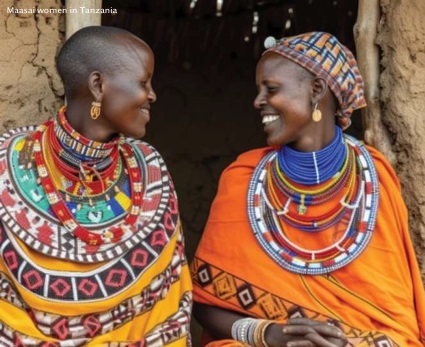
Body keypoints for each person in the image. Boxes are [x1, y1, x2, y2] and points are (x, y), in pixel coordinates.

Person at [191, 31, 425, 347]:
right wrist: (269, 334)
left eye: (270, 89)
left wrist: (346, 344)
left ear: (316, 90)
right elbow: (205, 302)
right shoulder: (243, 178)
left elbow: (397, 322)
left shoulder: (374, 177)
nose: (258, 101)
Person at [0, 26, 192, 346]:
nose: (153, 94)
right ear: (98, 85)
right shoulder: (8, 163)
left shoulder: (149, 168)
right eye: (144, 83)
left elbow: (171, 305)